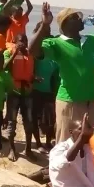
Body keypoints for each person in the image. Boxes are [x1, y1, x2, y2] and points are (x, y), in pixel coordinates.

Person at [29, 2, 94, 143]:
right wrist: (45, 25)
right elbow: (32, 50)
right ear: (66, 23)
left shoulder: (92, 40)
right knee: (65, 142)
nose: (81, 19)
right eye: (76, 17)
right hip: (69, 101)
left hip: (90, 102)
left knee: (86, 143)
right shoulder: (56, 43)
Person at [4, 33, 36, 161]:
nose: (24, 43)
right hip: (13, 92)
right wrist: (15, 52)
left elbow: (32, 71)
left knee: (29, 122)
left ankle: (28, 149)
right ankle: (12, 149)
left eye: (26, 41)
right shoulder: (8, 52)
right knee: (11, 122)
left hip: (27, 92)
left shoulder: (31, 55)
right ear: (15, 42)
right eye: (21, 41)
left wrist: (35, 78)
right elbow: (4, 67)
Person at [30, 23, 58, 153]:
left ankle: (47, 142)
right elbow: (30, 68)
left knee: (50, 119)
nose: (49, 33)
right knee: (36, 118)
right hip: (36, 90)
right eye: (46, 30)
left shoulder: (51, 51)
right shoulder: (38, 50)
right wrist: (34, 77)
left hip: (50, 90)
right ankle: (38, 143)